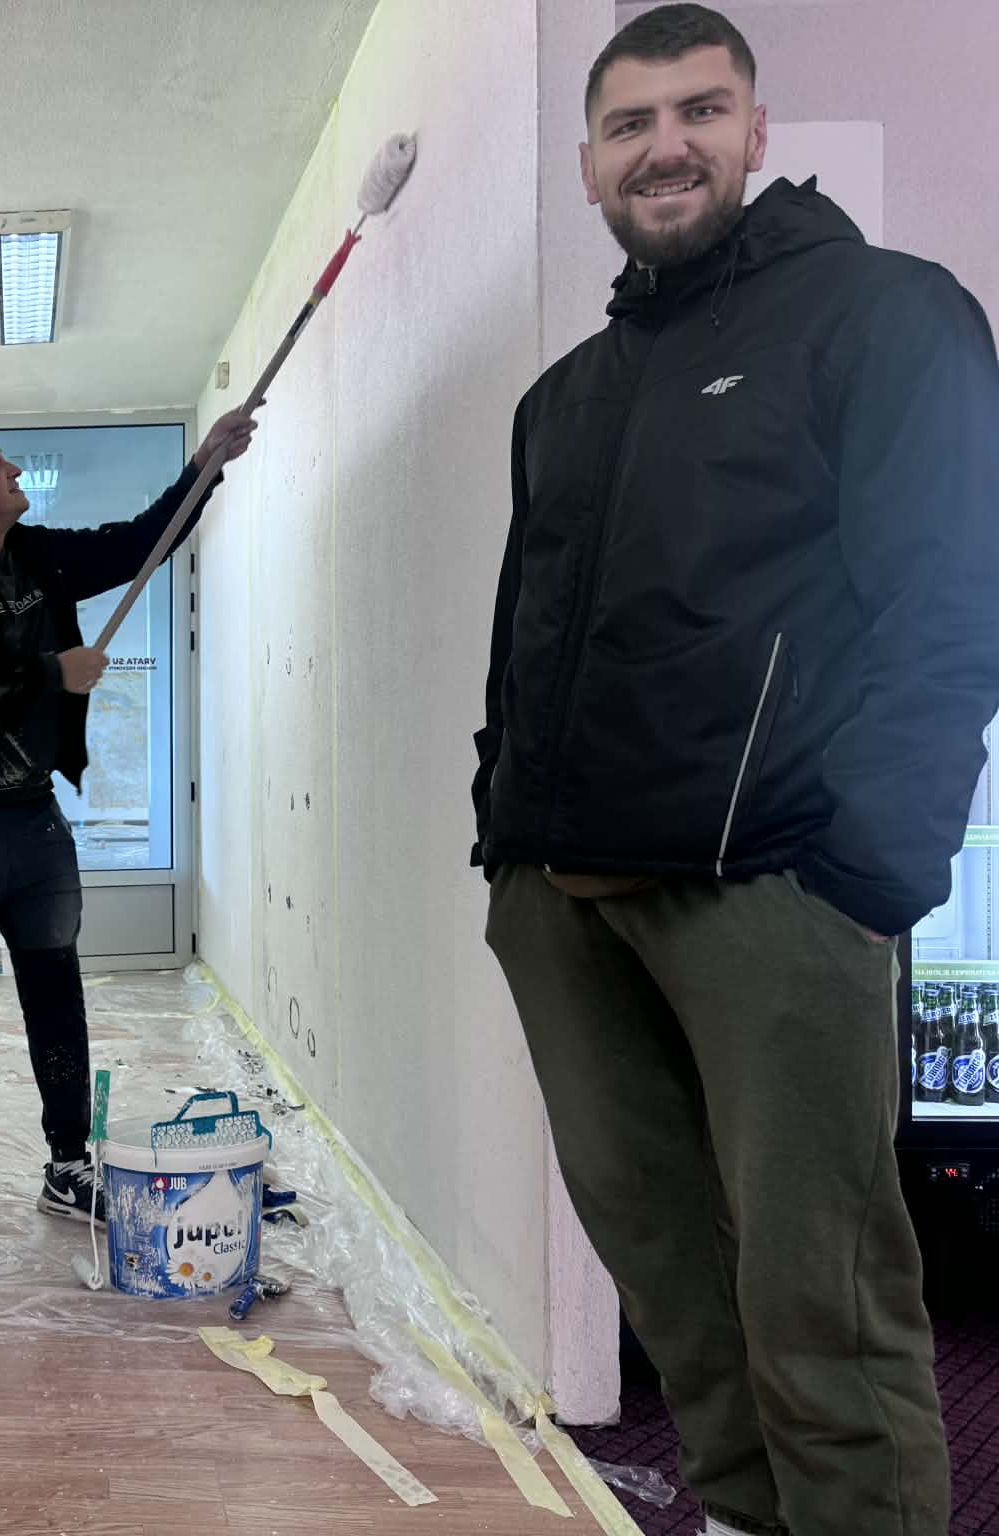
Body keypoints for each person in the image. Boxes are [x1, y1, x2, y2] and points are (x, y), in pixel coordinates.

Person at [471, 6, 999, 1534]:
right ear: (589, 164)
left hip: (771, 891)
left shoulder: (884, 316)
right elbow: (529, 637)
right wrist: (506, 835)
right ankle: (746, 1517)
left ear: (757, 134)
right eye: (630, 124)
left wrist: (871, 873)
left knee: (820, 1298)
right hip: (565, 900)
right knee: (673, 1285)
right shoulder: (564, 399)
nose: (667, 147)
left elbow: (948, 603)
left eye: (700, 111)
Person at [0, 408, 260, 1240]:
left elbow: (137, 544)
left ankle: (67, 1163)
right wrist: (53, 672)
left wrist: (205, 463)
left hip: (32, 822)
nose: (13, 471)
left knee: (56, 994)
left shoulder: (36, 555)